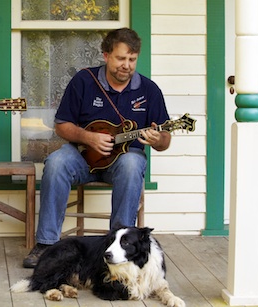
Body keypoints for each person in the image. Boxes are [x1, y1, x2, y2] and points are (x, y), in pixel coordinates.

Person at [23, 28, 172, 268]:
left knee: (133, 163)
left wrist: (158, 140)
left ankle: (120, 246)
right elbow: (61, 126)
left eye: (132, 60)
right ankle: (46, 245)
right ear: (105, 56)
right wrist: (88, 138)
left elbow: (165, 139)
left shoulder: (149, 90)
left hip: (122, 162)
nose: (127, 65)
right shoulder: (84, 81)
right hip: (82, 156)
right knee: (56, 163)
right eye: (121, 58)